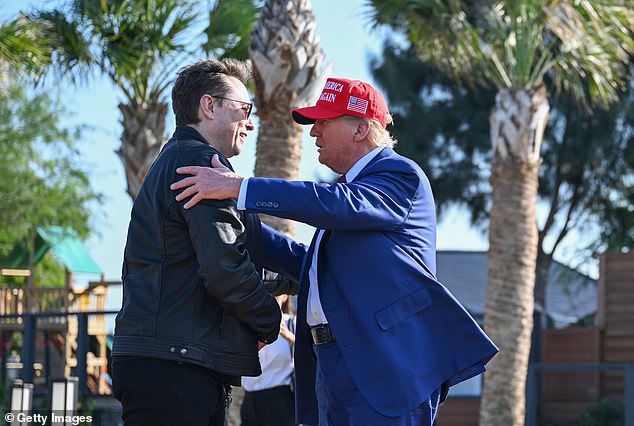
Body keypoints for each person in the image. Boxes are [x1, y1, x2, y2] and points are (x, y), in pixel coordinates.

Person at [170, 77, 499, 425]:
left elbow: (339, 205)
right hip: (333, 368)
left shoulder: (401, 175)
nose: (314, 132)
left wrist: (239, 188)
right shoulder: (346, 193)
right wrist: (237, 221)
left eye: (324, 122)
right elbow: (309, 265)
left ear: (360, 129)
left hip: (383, 368)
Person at [111, 58, 283, 426]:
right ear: (209, 105)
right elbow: (224, 268)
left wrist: (304, 274)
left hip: (168, 361)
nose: (250, 123)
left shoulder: (176, 158)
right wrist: (269, 321)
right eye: (243, 109)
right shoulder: (202, 165)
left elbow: (220, 258)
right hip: (176, 368)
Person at [240, 293, 297, 426]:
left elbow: (309, 354)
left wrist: (288, 336)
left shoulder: (292, 323)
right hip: (249, 400)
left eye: (276, 294)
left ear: (285, 297)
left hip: (279, 398)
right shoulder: (249, 325)